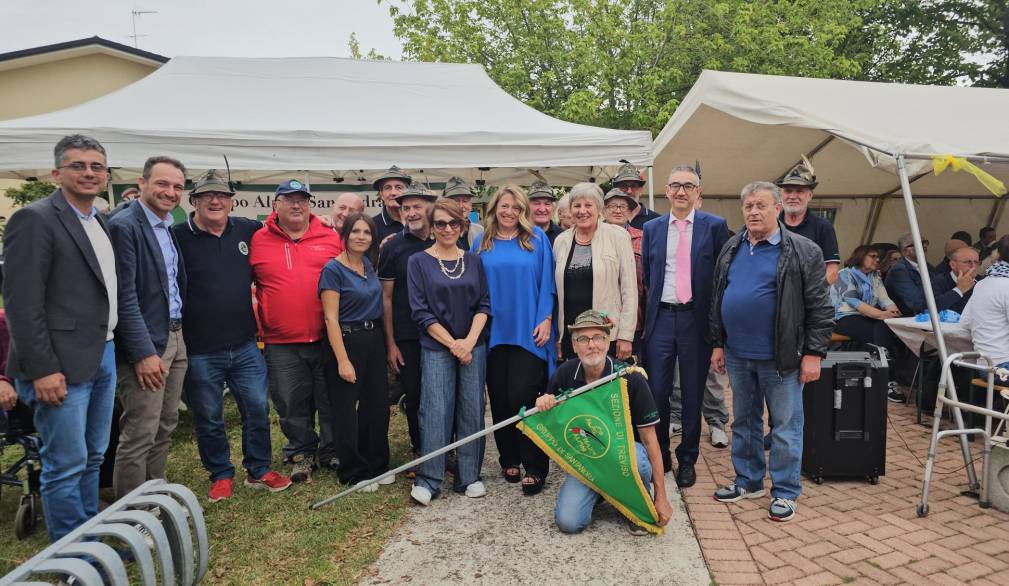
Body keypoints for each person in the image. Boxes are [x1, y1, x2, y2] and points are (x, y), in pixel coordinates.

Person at [3, 135, 127, 540]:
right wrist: (43, 369)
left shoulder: (100, 222)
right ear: (57, 173)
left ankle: (88, 534)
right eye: (78, 165)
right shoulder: (35, 219)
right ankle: (74, 556)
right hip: (59, 363)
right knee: (66, 461)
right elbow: (22, 303)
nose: (89, 173)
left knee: (93, 457)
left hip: (102, 352)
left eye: (96, 166)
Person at [710, 181, 833, 523]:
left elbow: (821, 307)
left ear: (777, 209)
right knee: (745, 422)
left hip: (783, 357)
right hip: (737, 354)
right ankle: (749, 482)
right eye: (748, 206)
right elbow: (718, 297)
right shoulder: (733, 247)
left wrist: (814, 353)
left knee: (785, 426)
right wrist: (718, 343)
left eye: (760, 205)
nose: (753, 212)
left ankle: (785, 491)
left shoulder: (803, 250)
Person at [174, 170, 291, 502]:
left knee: (256, 408)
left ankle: (258, 470)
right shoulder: (177, 236)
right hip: (199, 349)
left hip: (244, 345)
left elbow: (282, 225)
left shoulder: (247, 229)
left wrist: (324, 221)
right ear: (193, 201)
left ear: (231, 201)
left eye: (222, 196)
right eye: (207, 196)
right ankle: (221, 474)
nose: (215, 201)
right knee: (209, 416)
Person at [536, 310, 672, 534]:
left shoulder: (630, 378)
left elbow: (650, 442)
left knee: (638, 458)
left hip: (625, 457)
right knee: (568, 522)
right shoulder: (564, 374)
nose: (592, 345)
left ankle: (638, 494)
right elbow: (550, 419)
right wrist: (544, 403)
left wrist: (662, 496)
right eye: (583, 339)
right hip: (589, 460)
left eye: (598, 337)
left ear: (608, 341)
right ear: (574, 344)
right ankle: (603, 492)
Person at [640, 165, 729, 485]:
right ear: (666, 190)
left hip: (696, 320)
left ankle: (687, 458)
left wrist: (718, 332)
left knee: (693, 393)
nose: (681, 191)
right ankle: (660, 454)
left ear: (698, 193)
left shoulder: (715, 226)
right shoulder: (653, 228)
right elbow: (650, 275)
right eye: (675, 185)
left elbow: (721, 278)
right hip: (661, 319)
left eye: (688, 186)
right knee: (658, 392)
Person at [251, 179, 344, 483]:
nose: (296, 205)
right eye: (288, 199)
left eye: (302, 200)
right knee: (290, 401)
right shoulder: (258, 240)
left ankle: (331, 450)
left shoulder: (330, 236)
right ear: (274, 205)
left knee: (330, 398)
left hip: (326, 337)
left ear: (309, 205)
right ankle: (301, 453)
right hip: (280, 342)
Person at [109, 155, 190, 499]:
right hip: (148, 343)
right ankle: (130, 513)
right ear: (142, 184)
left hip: (175, 335)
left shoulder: (164, 225)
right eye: (162, 183)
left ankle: (154, 495)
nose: (170, 192)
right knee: (140, 430)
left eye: (177, 186)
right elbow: (123, 295)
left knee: (165, 424)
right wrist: (142, 353)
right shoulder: (125, 226)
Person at [472, 185, 556, 495]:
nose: (509, 212)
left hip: (528, 330)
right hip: (492, 332)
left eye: (515, 207)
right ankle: (509, 458)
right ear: (494, 208)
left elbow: (548, 283)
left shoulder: (537, 240)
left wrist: (546, 319)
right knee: (500, 398)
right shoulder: (482, 242)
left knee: (525, 397)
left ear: (523, 211)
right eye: (504, 206)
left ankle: (535, 465)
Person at [407, 199, 491, 505]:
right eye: (440, 223)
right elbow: (420, 312)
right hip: (436, 346)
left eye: (453, 223)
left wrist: (468, 342)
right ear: (432, 227)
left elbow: (484, 304)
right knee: (435, 411)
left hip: (473, 346)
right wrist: (453, 344)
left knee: (471, 410)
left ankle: (470, 475)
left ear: (462, 225)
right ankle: (430, 480)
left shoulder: (474, 260)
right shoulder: (418, 262)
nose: (447, 229)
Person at [319, 213, 392, 489]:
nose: (361, 237)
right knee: (346, 410)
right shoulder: (333, 270)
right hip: (345, 341)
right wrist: (342, 360)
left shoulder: (367, 265)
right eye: (355, 232)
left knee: (377, 406)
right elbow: (330, 318)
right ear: (345, 235)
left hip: (372, 340)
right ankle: (354, 472)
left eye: (367, 232)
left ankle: (377, 464)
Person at [378, 182, 440, 458]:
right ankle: (421, 449)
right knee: (414, 395)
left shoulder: (446, 237)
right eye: (405, 208)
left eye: (417, 206)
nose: (411, 212)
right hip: (407, 336)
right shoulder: (392, 248)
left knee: (442, 393)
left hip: (443, 334)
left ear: (429, 208)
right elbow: (386, 298)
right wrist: (390, 342)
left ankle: (445, 447)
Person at [553, 183, 637, 362]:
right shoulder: (561, 241)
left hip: (607, 333)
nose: (582, 211)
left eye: (588, 205)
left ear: (599, 208)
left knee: (606, 388)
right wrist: (559, 336)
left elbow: (629, 291)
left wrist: (626, 335)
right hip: (572, 333)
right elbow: (556, 294)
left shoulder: (618, 237)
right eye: (577, 206)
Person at [832, 245, 903, 401]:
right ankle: (885, 378)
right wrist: (882, 314)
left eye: (878, 257)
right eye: (872, 256)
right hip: (843, 317)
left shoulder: (875, 276)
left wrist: (894, 313)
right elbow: (855, 302)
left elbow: (884, 299)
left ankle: (881, 373)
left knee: (884, 326)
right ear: (860, 256)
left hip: (867, 316)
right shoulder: (844, 274)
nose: (877, 260)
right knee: (877, 331)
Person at [776, 156, 841, 285]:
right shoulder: (771, 225)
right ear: (781, 195)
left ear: (810, 195)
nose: (793, 196)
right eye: (788, 191)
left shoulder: (823, 226)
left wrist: (811, 295)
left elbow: (832, 271)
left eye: (800, 191)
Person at [601, 187, 645, 356]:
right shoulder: (592, 237)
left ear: (630, 212)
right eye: (612, 206)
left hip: (637, 318)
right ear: (604, 210)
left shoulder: (642, 237)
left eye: (623, 207)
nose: (618, 210)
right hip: (604, 318)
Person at [886, 232, 967, 316]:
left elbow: (940, 291)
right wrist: (957, 290)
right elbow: (917, 304)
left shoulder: (928, 266)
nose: (924, 246)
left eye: (925, 242)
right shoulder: (899, 271)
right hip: (908, 321)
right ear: (905, 251)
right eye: (918, 244)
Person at [961, 236, 1009, 370]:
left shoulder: (982, 283)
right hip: (1003, 365)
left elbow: (964, 322)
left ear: (998, 254)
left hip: (986, 363)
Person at [931, 245, 980, 314]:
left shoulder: (982, 282)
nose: (973, 266)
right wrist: (959, 290)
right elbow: (931, 308)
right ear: (953, 265)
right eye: (967, 262)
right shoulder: (938, 282)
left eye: (976, 262)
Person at [611, 161, 659, 230]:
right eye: (624, 186)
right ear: (615, 191)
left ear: (641, 190)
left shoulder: (655, 221)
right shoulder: (609, 221)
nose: (629, 191)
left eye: (634, 186)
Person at [442, 176, 485, 249]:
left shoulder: (480, 231)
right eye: (456, 201)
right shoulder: (439, 230)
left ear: (470, 205)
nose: (461, 206)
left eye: (465, 201)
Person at [372, 166, 411, 242]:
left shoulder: (419, 221)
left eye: (399, 187)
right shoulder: (372, 226)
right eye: (388, 188)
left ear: (408, 192)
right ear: (381, 195)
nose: (393, 193)